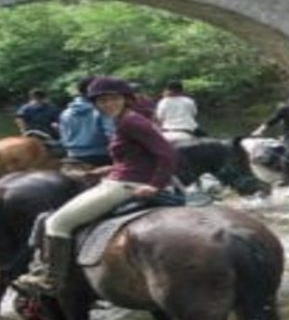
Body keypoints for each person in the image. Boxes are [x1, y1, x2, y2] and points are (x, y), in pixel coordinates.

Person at [16, 77, 178, 293]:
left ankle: (51, 279)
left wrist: (156, 185)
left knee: (56, 223)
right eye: (102, 101)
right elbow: (134, 158)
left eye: (113, 99)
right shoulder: (123, 120)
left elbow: (167, 153)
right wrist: (106, 170)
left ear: (125, 99)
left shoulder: (132, 122)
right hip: (120, 178)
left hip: (125, 185)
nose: (107, 104)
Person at [58, 77, 113, 168]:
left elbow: (63, 136)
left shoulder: (65, 112)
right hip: (101, 156)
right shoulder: (101, 110)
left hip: (73, 156)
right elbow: (112, 135)